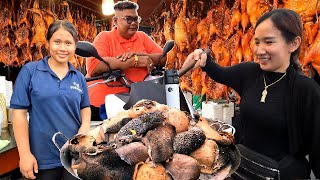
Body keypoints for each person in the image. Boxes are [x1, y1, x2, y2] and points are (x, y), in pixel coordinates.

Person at [183, 8, 320, 179]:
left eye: (269, 42)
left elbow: (317, 148)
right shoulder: (249, 73)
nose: (259, 50)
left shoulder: (306, 90)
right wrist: (202, 56)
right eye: (257, 42)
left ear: (293, 44)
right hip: (243, 170)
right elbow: (217, 71)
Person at [10, 20, 91, 180]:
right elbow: (18, 113)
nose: (62, 48)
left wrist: (85, 126)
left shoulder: (79, 77)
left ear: (75, 46)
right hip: (42, 158)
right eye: (57, 42)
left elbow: (85, 107)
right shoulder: (30, 71)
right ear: (48, 43)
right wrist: (25, 154)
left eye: (68, 43)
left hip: (74, 156)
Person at [86, 0, 163, 121]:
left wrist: (140, 55)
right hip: (103, 106)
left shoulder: (142, 37)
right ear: (115, 21)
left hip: (136, 105)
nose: (133, 23)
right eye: (128, 19)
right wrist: (134, 61)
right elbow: (94, 67)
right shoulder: (105, 37)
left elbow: (163, 58)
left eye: (136, 19)